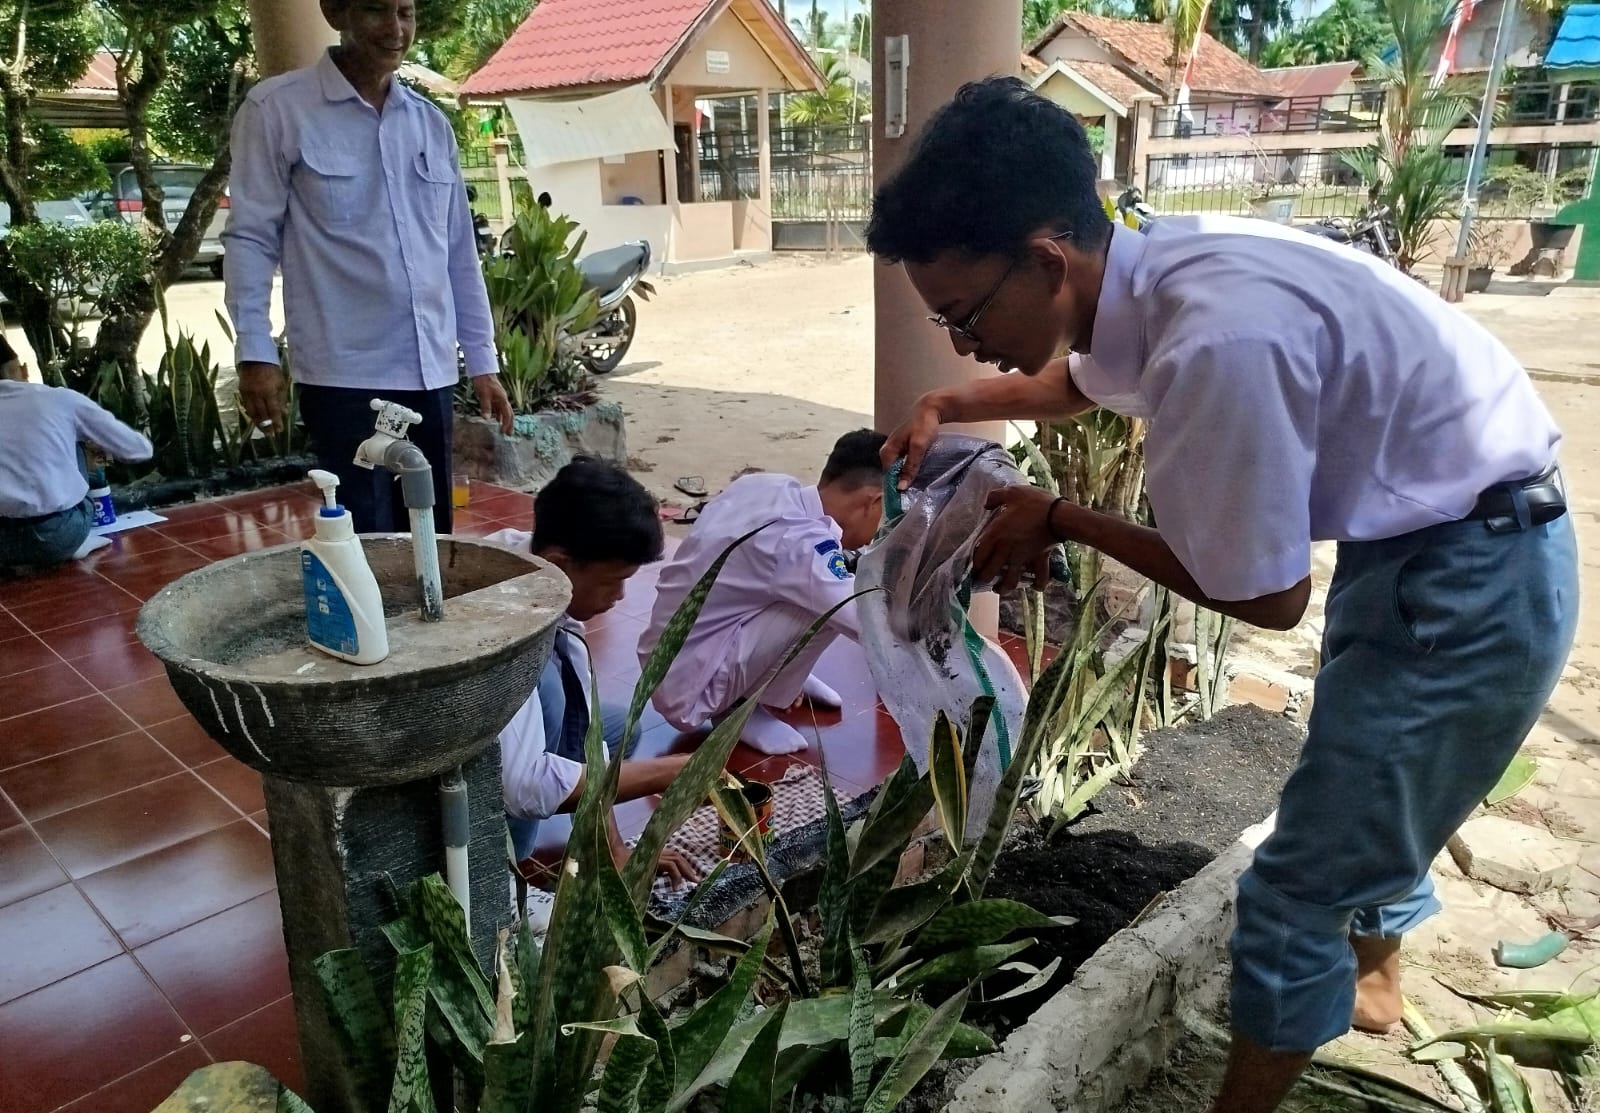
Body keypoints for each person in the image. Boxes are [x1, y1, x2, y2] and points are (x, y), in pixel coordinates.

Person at [865, 78, 1575, 1113]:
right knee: (1372, 777)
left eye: (964, 317)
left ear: (1047, 258)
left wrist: (1057, 517)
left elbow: (1265, 598)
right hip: (1433, 538)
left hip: (1473, 577)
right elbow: (1086, 377)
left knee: (1296, 885)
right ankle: (1374, 982)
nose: (963, 341)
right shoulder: (1151, 263)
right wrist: (951, 400)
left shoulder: (1216, 347)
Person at [223, 0, 514, 536]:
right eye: (378, 11)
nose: (396, 29)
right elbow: (250, 238)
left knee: (431, 531)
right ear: (336, 13)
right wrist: (255, 352)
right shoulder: (277, 111)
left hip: (428, 371)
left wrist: (481, 361)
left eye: (406, 12)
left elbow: (457, 253)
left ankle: (427, 619)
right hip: (343, 375)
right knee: (365, 536)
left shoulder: (430, 124)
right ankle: (367, 623)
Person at [487, 458, 698, 886]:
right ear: (562, 563)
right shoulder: (502, 620)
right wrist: (673, 771)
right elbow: (524, 785)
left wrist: (615, 852)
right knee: (547, 690)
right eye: (611, 582)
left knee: (619, 731)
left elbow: (587, 720)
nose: (620, 596)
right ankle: (499, 874)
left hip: (512, 742)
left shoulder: (536, 565)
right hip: (461, 779)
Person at [639, 430, 887, 757]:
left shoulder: (767, 486)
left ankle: (777, 677)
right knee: (834, 603)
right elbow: (872, 626)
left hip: (664, 660)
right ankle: (739, 708)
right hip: (689, 693)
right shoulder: (800, 545)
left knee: (821, 586)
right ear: (873, 501)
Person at [0, 362, 152, 571]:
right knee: (75, 439)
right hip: (59, 538)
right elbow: (139, 450)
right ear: (22, 369)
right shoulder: (58, 399)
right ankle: (84, 536)